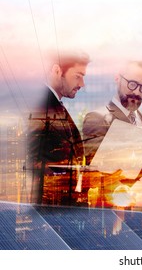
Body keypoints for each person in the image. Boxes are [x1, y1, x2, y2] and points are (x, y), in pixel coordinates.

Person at [82, 60, 142, 207]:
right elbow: (97, 172)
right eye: (132, 84)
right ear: (117, 78)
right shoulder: (97, 118)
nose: (137, 92)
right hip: (109, 211)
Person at [28, 50, 91, 206]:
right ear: (57, 70)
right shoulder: (40, 105)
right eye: (78, 76)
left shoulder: (54, 105)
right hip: (49, 206)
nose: (82, 85)